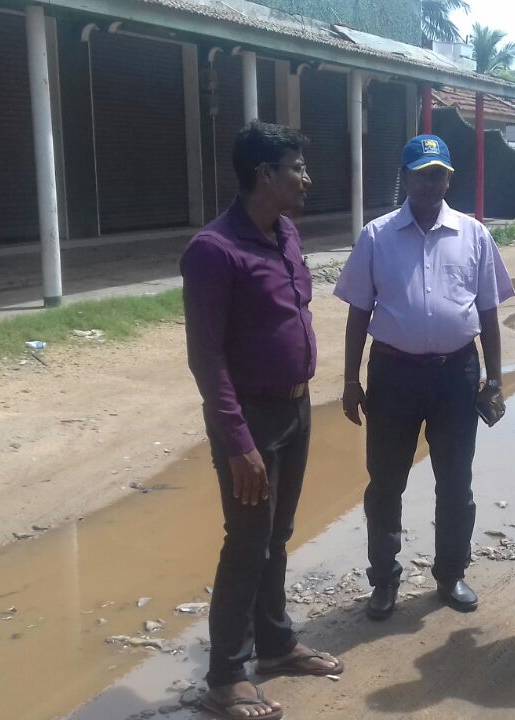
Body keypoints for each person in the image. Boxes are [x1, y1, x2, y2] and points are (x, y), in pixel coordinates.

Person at [181, 121, 343, 720]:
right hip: (249, 419)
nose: (307, 178)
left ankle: (275, 646)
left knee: (277, 534)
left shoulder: (287, 234)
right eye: (296, 168)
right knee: (247, 541)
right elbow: (206, 357)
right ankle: (225, 677)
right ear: (264, 174)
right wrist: (238, 442)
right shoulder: (214, 250)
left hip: (296, 408)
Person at [335, 134, 515, 620]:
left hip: (456, 374)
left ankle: (451, 573)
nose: (429, 184)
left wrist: (495, 379)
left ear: (449, 179)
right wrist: (350, 380)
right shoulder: (376, 236)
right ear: (405, 178)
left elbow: (489, 311)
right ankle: (384, 580)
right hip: (393, 375)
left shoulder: (474, 235)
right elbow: (358, 313)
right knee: (385, 482)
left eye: (438, 175)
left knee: (456, 482)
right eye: (420, 174)